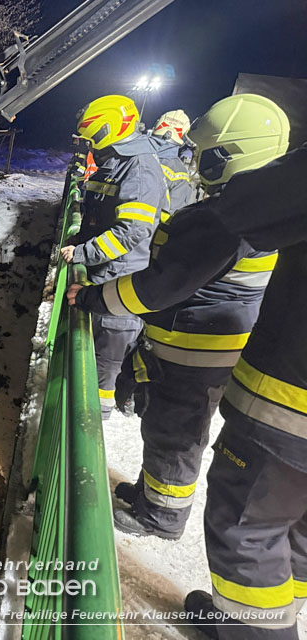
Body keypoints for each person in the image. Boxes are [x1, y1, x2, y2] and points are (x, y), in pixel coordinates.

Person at [66, 94, 289, 539]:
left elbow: (155, 286)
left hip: (195, 350)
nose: (195, 160)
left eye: (207, 152)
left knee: (176, 432)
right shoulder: (264, 209)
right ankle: (151, 495)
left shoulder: (228, 218)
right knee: (165, 426)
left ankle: (161, 515)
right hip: (203, 343)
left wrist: (91, 298)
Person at [181, 146, 307, 639]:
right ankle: (267, 620)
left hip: (290, 408)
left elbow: (246, 207)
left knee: (247, 532)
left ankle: (257, 629)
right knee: (294, 529)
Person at [60, 94, 168, 418]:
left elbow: (133, 231)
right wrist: (80, 240)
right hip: (101, 282)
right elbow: (97, 215)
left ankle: (93, 431)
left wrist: (83, 252)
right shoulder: (116, 163)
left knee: (101, 378)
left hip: (118, 291)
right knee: (88, 365)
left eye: (92, 139)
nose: (90, 147)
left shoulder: (138, 167)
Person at [148, 109, 195, 217]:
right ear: (184, 135)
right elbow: (170, 216)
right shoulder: (179, 173)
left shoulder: (133, 151)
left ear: (157, 125)